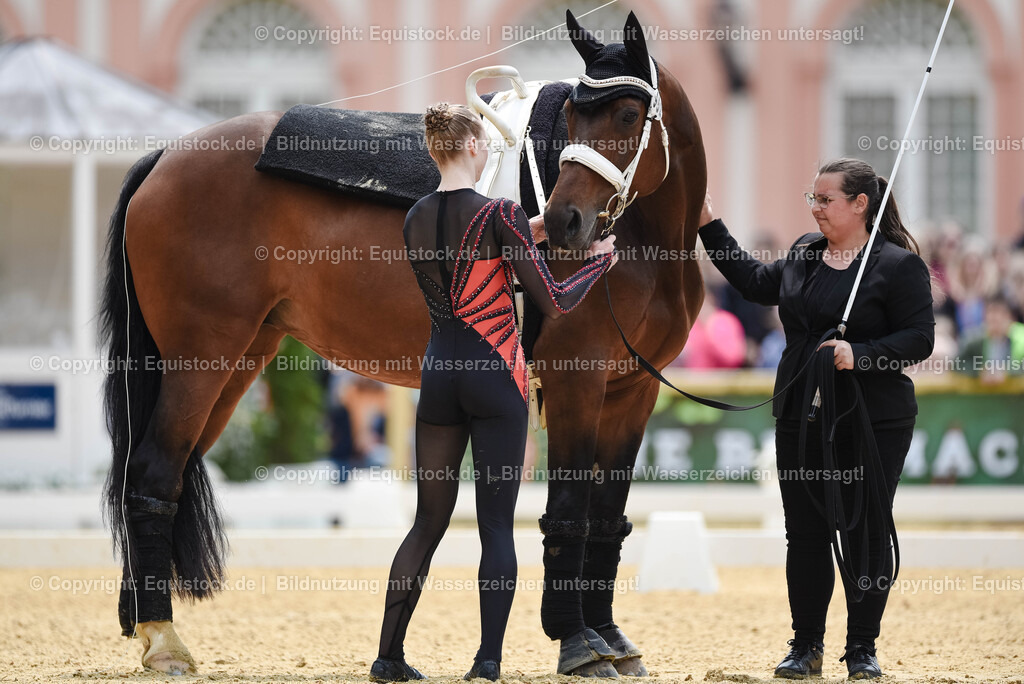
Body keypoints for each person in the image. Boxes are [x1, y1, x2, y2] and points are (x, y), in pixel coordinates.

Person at [369, 102, 617, 683]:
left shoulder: (413, 217)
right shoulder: (500, 212)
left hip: (438, 376)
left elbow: (464, 264)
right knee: (495, 527)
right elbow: (553, 300)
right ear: (476, 147)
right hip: (493, 373)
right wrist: (598, 262)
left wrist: (520, 238)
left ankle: (388, 657)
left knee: (426, 523)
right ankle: (487, 662)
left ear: (437, 150)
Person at [698, 158, 934, 680]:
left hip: (873, 421)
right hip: (801, 414)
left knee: (865, 532)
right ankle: (806, 646)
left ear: (859, 204)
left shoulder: (896, 266)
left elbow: (920, 339)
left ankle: (861, 649)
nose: (815, 207)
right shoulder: (805, 253)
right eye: (814, 197)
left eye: (826, 199)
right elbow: (755, 281)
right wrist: (709, 225)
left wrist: (862, 353)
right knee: (804, 534)